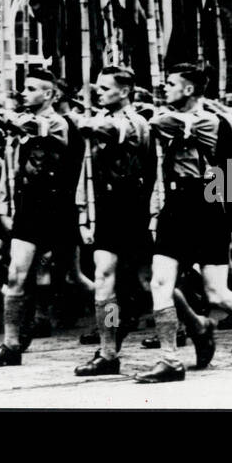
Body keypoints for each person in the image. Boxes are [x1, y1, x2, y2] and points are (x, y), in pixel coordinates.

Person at [136, 64, 232, 383]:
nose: (165, 88)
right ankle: (170, 359)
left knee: (217, 294)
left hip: (208, 203)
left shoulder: (210, 120)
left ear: (188, 90)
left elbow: (160, 123)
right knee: (161, 283)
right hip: (176, 204)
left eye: (171, 84)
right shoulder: (187, 118)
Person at [0, 68, 71, 368]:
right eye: (24, 88)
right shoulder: (21, 130)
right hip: (30, 207)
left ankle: (113, 322)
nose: (24, 92)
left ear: (49, 94)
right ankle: (11, 343)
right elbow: (11, 172)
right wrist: (5, 206)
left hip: (62, 208)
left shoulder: (57, 123)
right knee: (17, 274)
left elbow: (36, 127)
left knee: (80, 278)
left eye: (31, 88)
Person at [71, 66, 152, 377]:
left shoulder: (135, 122)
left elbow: (109, 132)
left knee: (150, 283)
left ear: (125, 91)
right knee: (104, 279)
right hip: (108, 209)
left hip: (137, 209)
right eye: (98, 88)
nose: (99, 93)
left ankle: (197, 326)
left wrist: (86, 122)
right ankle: (108, 352)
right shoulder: (103, 119)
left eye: (105, 88)